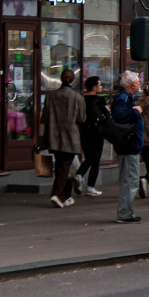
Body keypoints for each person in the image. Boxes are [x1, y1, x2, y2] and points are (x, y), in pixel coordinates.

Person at [43, 68, 86, 208]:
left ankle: (65, 196)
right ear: (73, 81)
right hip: (70, 137)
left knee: (62, 166)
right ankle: (57, 195)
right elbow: (82, 118)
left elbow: (44, 118)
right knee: (64, 166)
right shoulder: (78, 98)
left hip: (54, 136)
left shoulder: (50, 96)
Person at [111, 70, 145, 223]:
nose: (139, 84)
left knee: (129, 179)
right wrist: (135, 111)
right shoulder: (123, 99)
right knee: (130, 180)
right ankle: (125, 213)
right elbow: (119, 117)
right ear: (132, 85)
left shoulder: (124, 98)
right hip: (128, 145)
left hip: (128, 144)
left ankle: (127, 212)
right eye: (138, 82)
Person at [75, 76, 108, 197]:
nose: (101, 87)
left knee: (88, 157)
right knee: (95, 160)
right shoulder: (99, 100)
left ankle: (79, 175)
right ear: (94, 88)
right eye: (100, 85)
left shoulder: (81, 100)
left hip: (84, 132)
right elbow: (106, 114)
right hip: (97, 132)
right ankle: (90, 186)